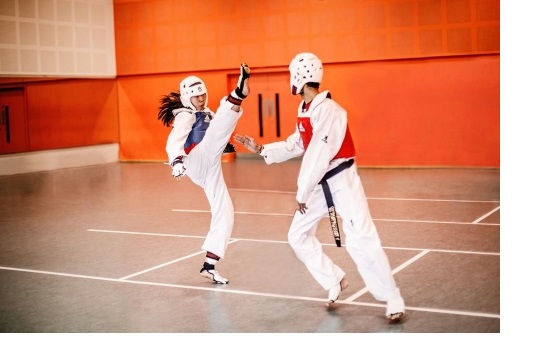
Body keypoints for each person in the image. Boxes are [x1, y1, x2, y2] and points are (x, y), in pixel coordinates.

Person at [233, 53, 405, 323]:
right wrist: (262, 148)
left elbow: (318, 153)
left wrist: (302, 191)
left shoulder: (329, 111)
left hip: (342, 180)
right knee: (297, 235)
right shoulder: (306, 109)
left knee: (361, 237)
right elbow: (299, 144)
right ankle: (334, 279)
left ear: (299, 78)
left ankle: (392, 297)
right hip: (320, 183)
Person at [158, 63, 251, 285]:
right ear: (187, 98)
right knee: (220, 122)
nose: (201, 99)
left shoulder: (206, 113)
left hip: (210, 166)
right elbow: (175, 141)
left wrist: (224, 145)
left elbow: (212, 132)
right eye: (196, 96)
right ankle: (237, 94)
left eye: (203, 95)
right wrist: (176, 161)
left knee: (225, 211)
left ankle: (209, 265)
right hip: (194, 161)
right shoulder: (184, 115)